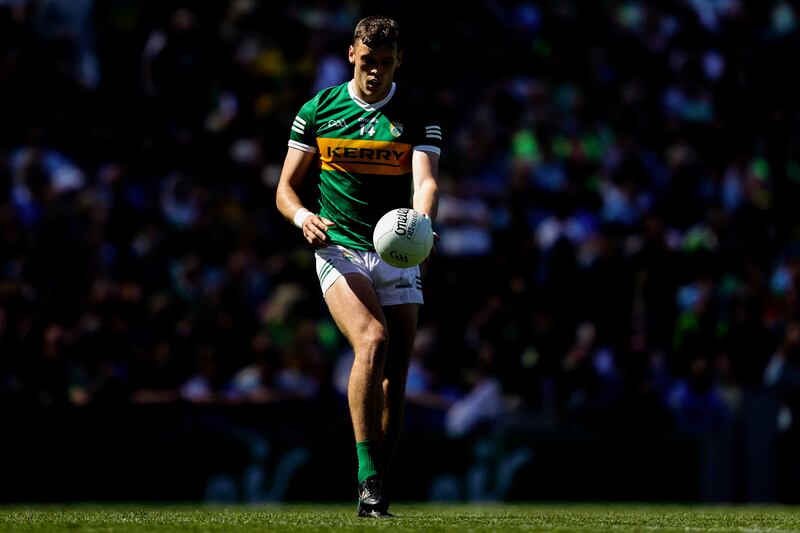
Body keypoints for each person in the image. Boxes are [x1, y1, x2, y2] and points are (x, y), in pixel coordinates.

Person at [275, 15, 441, 517]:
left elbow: (426, 183)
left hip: (397, 250)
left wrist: (424, 227)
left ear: (398, 62)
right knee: (372, 339)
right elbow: (284, 189)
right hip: (339, 246)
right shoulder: (318, 109)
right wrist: (304, 216)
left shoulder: (414, 115)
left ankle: (377, 493)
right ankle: (367, 476)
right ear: (352, 54)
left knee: (395, 376)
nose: (375, 73)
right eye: (368, 62)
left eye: (385, 64)